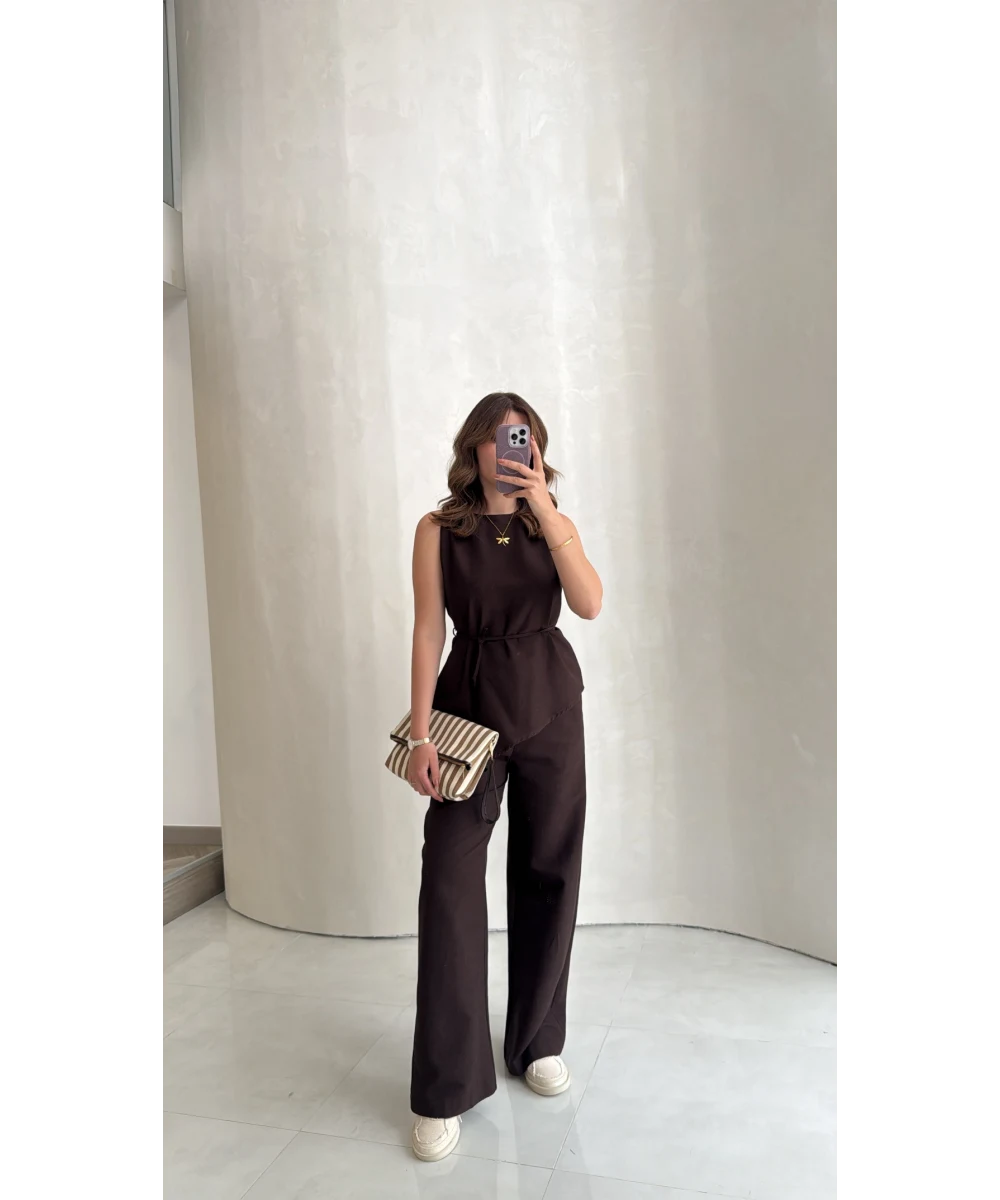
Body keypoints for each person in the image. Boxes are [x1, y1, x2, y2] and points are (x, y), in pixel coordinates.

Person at [405, 392, 604, 1161]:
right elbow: (429, 629)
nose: (508, 450)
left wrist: (545, 509)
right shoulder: (438, 530)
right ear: (473, 449)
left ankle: (537, 1041)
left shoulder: (552, 523)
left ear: (536, 448)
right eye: (495, 439)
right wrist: (421, 732)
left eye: (521, 439)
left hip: (551, 706)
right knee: (449, 885)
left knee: (550, 870)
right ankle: (445, 1086)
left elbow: (589, 603)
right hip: (467, 715)